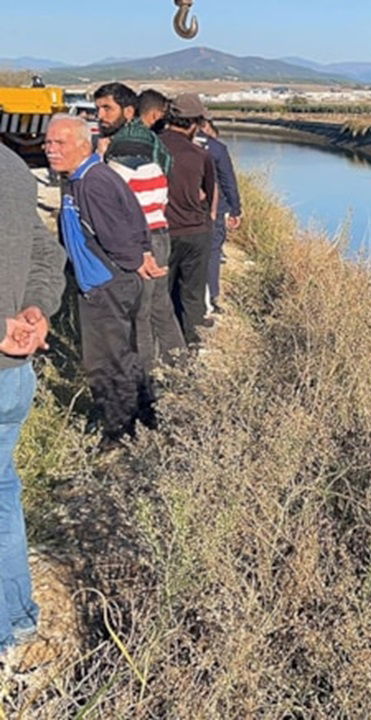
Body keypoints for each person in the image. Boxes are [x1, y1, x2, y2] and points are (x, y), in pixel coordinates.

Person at [44, 114, 152, 441]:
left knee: (105, 363)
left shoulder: (93, 182)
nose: (50, 149)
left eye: (59, 143)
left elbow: (120, 235)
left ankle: (117, 431)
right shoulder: (82, 177)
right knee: (120, 354)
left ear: (82, 144)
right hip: (105, 283)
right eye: (47, 142)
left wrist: (132, 261)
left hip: (107, 286)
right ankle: (143, 414)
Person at [0, 142, 65, 657]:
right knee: (2, 492)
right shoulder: (13, 166)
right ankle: (16, 621)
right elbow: (46, 252)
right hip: (14, 374)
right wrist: (36, 310)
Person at [93, 83, 186, 367]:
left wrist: (98, 159)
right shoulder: (154, 153)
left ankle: (146, 376)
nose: (100, 115)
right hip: (161, 233)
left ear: (129, 111)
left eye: (106, 108)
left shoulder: (120, 157)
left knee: (139, 311)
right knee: (160, 305)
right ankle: (180, 366)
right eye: (98, 108)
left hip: (139, 238)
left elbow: (108, 203)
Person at [158, 94, 216, 344]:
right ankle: (192, 346)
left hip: (162, 232)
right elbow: (211, 195)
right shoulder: (200, 155)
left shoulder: (153, 148)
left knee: (161, 295)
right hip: (196, 232)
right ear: (194, 123)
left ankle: (164, 349)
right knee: (192, 295)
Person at [195, 119, 241, 314]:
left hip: (182, 209)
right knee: (213, 252)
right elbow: (228, 180)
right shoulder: (217, 149)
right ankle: (212, 297)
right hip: (216, 208)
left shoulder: (168, 144)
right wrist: (235, 209)